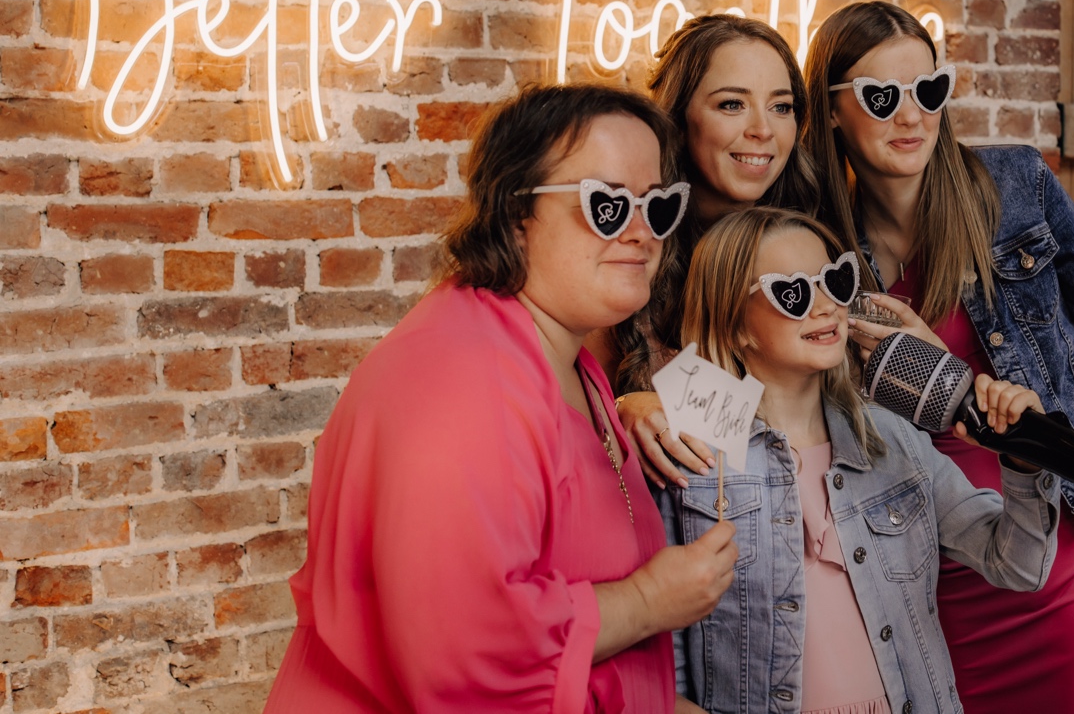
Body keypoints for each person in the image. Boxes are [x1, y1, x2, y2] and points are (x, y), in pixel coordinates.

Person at [265, 84, 737, 713]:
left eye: (657, 207)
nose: (640, 233)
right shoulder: (463, 381)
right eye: (606, 205)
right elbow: (470, 648)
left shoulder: (562, 357)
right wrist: (650, 601)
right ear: (518, 213)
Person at [800, 0, 1074, 713]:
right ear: (831, 111)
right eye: (881, 96)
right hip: (943, 563)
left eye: (928, 91)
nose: (911, 115)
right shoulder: (816, 248)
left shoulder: (1015, 184)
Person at [660, 207, 1061, 714]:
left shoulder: (894, 438)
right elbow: (664, 664)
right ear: (735, 324)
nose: (825, 305)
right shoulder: (692, 461)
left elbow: (1019, 567)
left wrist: (1024, 463)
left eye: (835, 280)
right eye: (793, 292)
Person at [605, 15, 820, 488]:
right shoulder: (630, 251)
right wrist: (624, 408)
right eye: (731, 104)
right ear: (678, 120)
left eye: (781, 107)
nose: (763, 130)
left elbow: (794, 427)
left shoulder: (812, 247)